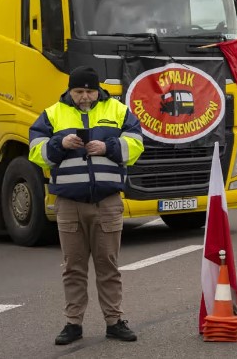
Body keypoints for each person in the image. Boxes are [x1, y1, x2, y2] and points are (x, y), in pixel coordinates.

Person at [28, 66, 145, 346]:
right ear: (69, 90)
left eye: (90, 91)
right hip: (69, 204)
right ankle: (73, 324)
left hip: (106, 202)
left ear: (98, 90)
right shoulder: (52, 113)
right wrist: (60, 143)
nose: (85, 97)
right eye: (79, 91)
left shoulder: (118, 110)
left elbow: (137, 144)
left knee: (109, 265)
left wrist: (109, 148)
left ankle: (114, 321)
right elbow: (35, 150)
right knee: (73, 267)